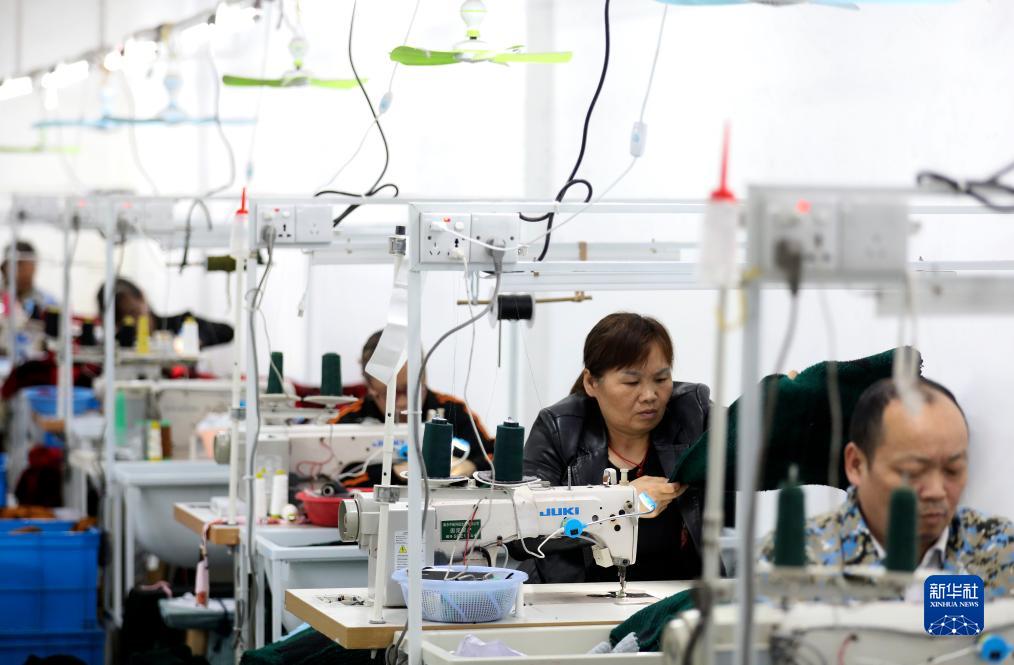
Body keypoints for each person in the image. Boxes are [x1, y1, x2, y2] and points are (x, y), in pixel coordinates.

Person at [760, 377, 1013, 598]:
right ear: (856, 464)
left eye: (953, 470)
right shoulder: (790, 563)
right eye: (912, 472)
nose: (937, 491)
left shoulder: (1001, 551)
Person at [520, 312, 711, 584]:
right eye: (631, 382)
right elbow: (521, 533)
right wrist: (621, 503)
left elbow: (753, 451)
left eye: (661, 379)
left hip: (679, 594)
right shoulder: (559, 430)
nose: (650, 395)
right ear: (591, 383)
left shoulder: (693, 414)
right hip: (576, 596)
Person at [333, 329, 494, 486]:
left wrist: (471, 466)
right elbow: (331, 479)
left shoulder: (455, 411)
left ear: (424, 377)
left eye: (410, 390)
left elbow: (493, 456)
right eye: (389, 393)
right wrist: (393, 472)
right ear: (369, 386)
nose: (402, 403)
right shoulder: (347, 422)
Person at [96, 277, 234, 349]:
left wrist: (194, 340)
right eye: (123, 321)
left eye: (134, 313)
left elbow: (227, 331)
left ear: (142, 297)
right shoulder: (116, 346)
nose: (133, 324)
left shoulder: (179, 323)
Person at [2, 240, 57, 320]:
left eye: (29, 266)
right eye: (19, 265)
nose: (25, 272)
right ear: (4, 267)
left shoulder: (47, 302)